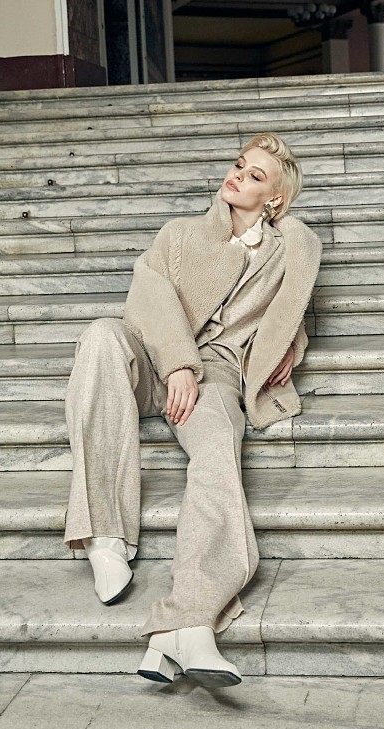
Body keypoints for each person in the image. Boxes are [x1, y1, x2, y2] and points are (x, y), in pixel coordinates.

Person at [62, 131, 323, 688]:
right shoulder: (180, 233)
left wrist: (285, 350)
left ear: (275, 199)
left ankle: (189, 619)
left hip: (218, 372)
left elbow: (294, 313)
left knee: (218, 448)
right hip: (153, 354)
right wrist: (177, 362)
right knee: (101, 335)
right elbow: (148, 294)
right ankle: (105, 537)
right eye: (239, 165)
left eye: (255, 176)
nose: (237, 176)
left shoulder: (286, 250)